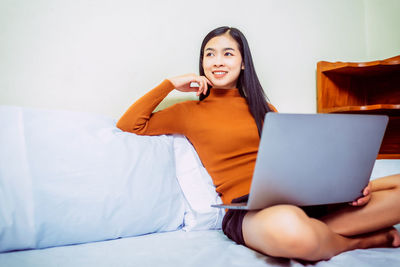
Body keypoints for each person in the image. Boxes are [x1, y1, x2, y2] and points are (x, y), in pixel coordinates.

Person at [117, 26, 400, 261]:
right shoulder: (188, 112)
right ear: (202, 62)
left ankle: (325, 227)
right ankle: (359, 240)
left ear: (242, 62)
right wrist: (169, 84)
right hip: (248, 210)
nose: (217, 61)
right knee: (292, 230)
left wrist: (346, 186)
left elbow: (294, 166)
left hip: (296, 201)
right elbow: (129, 124)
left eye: (228, 54)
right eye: (209, 54)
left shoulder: (266, 109)